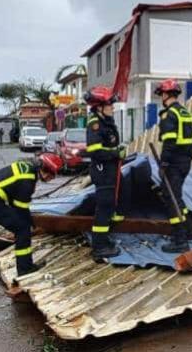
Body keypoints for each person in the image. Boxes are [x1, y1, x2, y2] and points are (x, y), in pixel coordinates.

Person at [0, 152, 63, 289]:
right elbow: (20, 208)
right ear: (44, 168)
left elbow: (14, 201)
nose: (51, 178)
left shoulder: (25, 168)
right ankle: (25, 268)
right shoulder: (28, 178)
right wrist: (30, 224)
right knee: (22, 230)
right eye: (51, 174)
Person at [154, 79, 192, 253]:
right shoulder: (186, 114)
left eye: (161, 95)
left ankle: (179, 240)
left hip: (172, 163)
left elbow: (169, 142)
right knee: (177, 197)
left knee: (171, 199)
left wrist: (164, 164)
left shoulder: (169, 115)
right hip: (184, 162)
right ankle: (188, 231)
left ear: (165, 95)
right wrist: (187, 156)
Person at [83, 86, 126, 261]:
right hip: (103, 172)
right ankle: (99, 247)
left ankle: (104, 239)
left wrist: (117, 150)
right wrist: (116, 153)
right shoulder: (95, 124)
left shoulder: (106, 122)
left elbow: (108, 145)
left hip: (110, 170)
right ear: (99, 106)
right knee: (104, 207)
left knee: (108, 207)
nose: (113, 107)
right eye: (110, 104)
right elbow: (95, 151)